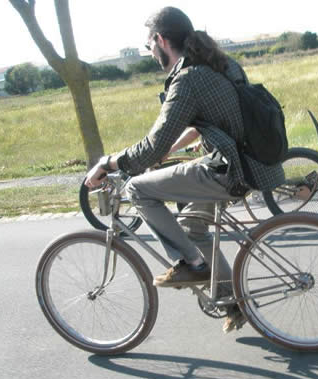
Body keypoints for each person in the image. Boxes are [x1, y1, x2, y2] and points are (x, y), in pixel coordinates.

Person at [84, 7, 285, 332]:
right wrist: (166, 151)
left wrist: (107, 163)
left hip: (229, 171)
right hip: (250, 163)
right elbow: (202, 124)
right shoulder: (220, 64)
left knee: (137, 189)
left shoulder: (188, 79)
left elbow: (152, 145)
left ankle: (191, 264)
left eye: (149, 45)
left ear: (161, 40)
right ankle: (230, 298)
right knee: (192, 226)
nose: (150, 53)